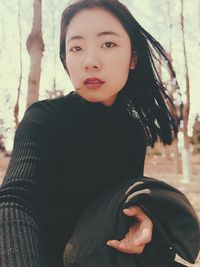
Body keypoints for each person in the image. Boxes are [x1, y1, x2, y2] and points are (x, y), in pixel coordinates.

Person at [0, 0, 199, 266]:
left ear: (133, 58)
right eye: (76, 48)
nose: (90, 62)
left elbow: (117, 203)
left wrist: (140, 220)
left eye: (108, 44)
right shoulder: (43, 119)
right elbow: (15, 201)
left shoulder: (133, 133)